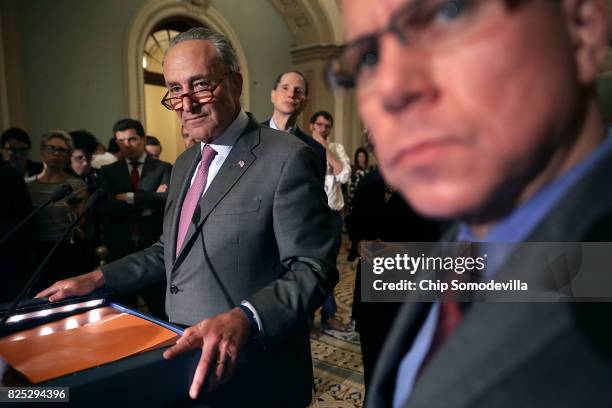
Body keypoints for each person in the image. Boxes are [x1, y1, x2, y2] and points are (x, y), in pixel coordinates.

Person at [37, 27, 340, 407]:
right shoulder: (183, 164)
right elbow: (169, 250)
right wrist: (98, 277)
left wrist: (245, 318)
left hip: (255, 369)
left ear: (235, 83)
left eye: (200, 86)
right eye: (175, 89)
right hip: (182, 359)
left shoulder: (287, 157)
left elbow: (313, 268)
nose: (186, 103)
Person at [331, 0, 612, 406]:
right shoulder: (461, 244)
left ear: (580, 29)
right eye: (369, 57)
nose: (392, 88)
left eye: (449, 14)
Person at [96, 118, 172, 320]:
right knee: (122, 312)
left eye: (132, 139)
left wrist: (129, 197)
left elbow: (165, 201)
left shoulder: (163, 168)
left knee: (160, 310)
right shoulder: (108, 171)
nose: (126, 145)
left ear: (143, 139)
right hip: (120, 247)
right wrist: (148, 202)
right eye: (121, 141)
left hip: (153, 247)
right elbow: (106, 206)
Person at [26, 131, 89, 292]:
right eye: (51, 148)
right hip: (35, 252)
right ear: (42, 151)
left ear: (68, 156)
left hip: (66, 251)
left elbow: (82, 225)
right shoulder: (28, 185)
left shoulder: (77, 185)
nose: (55, 153)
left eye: (61, 150)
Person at [307, 110, 350, 332]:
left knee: (329, 267)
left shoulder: (337, 149)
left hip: (332, 214)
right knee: (304, 266)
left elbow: (343, 175)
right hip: (307, 216)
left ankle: (329, 314)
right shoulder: (301, 145)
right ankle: (305, 316)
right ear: (311, 125)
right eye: (320, 125)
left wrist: (325, 150)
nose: (323, 129)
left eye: (327, 126)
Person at [263, 70, 326, 175]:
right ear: (273, 95)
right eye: (285, 88)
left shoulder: (315, 150)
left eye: (298, 91)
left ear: (305, 103)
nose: (291, 94)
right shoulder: (250, 137)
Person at [346, 146, 373, 215]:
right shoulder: (353, 169)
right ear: (356, 158)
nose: (361, 158)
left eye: (362, 156)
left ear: (365, 157)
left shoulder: (370, 169)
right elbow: (350, 184)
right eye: (359, 156)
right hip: (355, 197)